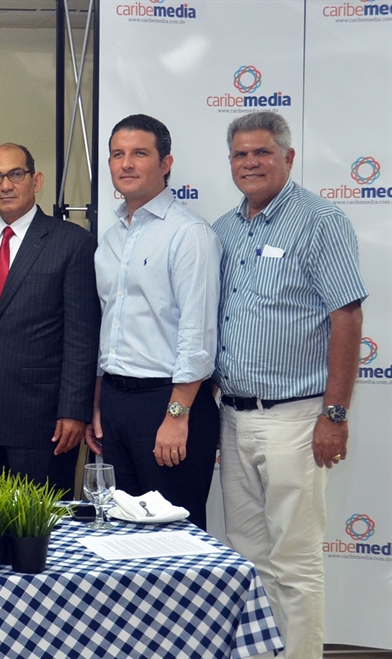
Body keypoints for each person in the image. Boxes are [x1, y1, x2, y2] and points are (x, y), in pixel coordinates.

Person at [213, 111, 366, 658]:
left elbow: (347, 318)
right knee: (249, 558)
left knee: (295, 561)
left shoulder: (321, 221)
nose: (250, 163)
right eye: (240, 154)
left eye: (262, 153)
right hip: (233, 417)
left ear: (289, 158)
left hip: (298, 419)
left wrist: (335, 414)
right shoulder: (224, 229)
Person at [87, 114, 221, 530]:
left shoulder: (189, 233)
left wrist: (177, 415)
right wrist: (97, 403)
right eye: (117, 154)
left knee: (174, 537)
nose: (126, 164)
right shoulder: (110, 239)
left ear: (165, 164)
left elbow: (197, 335)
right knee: (121, 532)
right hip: (115, 403)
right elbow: (108, 326)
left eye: (139, 153)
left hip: (167, 404)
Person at [0, 144, 100, 494]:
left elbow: (82, 336)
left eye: (15, 174)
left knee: (39, 536)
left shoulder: (72, 243)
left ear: (36, 180)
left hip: (43, 424)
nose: (6, 185)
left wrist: (73, 411)